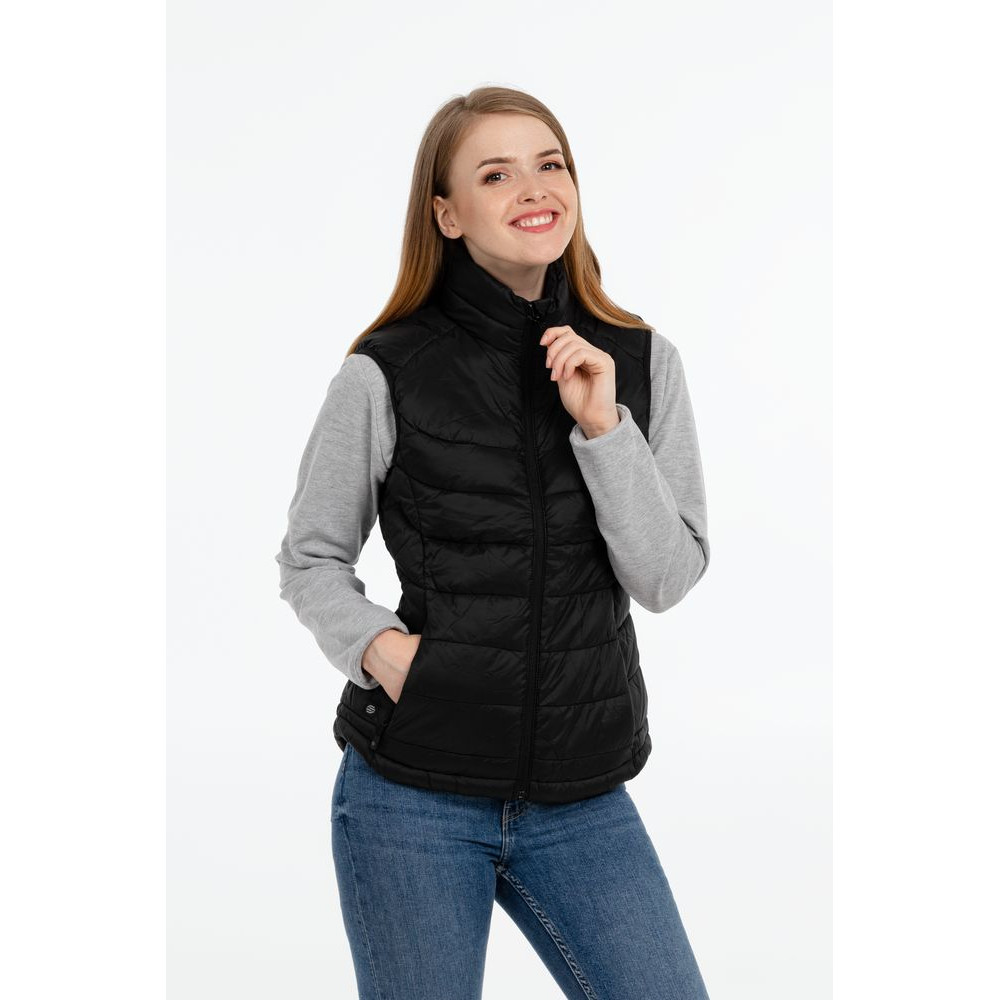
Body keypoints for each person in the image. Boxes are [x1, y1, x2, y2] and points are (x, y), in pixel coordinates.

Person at [275, 86, 712, 999]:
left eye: (550, 164)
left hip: (583, 794)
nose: (534, 187)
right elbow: (311, 556)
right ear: (448, 213)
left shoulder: (640, 361)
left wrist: (603, 428)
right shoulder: (385, 370)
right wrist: (382, 651)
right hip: (414, 793)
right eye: (496, 174)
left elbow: (666, 577)